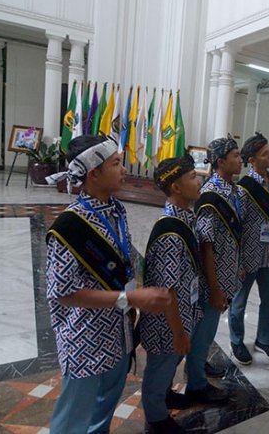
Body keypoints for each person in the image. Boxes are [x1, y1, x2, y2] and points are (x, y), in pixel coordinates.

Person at [45, 135, 171, 433]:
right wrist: (131, 299)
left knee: (104, 408)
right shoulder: (69, 226)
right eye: (116, 163)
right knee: (74, 417)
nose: (124, 168)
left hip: (118, 332)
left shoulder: (116, 209)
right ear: (94, 174)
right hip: (85, 339)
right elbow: (64, 293)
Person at [139, 155, 204, 434]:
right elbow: (168, 290)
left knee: (169, 363)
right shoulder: (170, 233)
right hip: (168, 321)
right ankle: (155, 417)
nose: (199, 180)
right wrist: (179, 332)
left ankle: (165, 394)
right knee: (160, 367)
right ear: (176, 187)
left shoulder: (186, 218)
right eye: (192, 177)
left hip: (181, 314)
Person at [184, 135, 243, 403]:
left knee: (209, 328)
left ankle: (199, 365)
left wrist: (238, 267)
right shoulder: (210, 195)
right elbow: (206, 246)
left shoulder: (233, 189)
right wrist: (216, 287)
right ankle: (196, 384)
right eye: (235, 156)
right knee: (204, 330)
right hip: (213, 278)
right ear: (221, 161)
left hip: (228, 272)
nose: (240, 160)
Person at [229, 132, 269, 364]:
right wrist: (237, 259)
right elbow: (236, 225)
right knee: (239, 302)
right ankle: (237, 342)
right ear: (252, 160)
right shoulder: (243, 189)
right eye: (265, 154)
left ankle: (264, 340)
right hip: (247, 253)